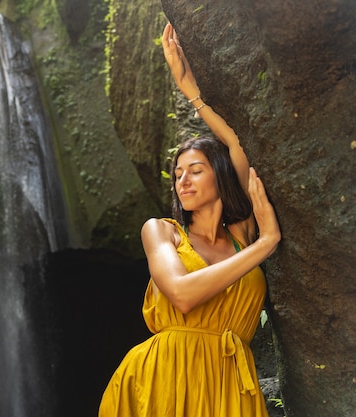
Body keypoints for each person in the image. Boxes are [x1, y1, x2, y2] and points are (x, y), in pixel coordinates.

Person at [98, 23, 282, 417]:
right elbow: (181, 294)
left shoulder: (242, 234)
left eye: (195, 169)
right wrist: (267, 244)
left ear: (220, 174)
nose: (183, 179)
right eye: (178, 173)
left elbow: (238, 142)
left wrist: (190, 90)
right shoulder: (162, 231)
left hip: (230, 383)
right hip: (164, 379)